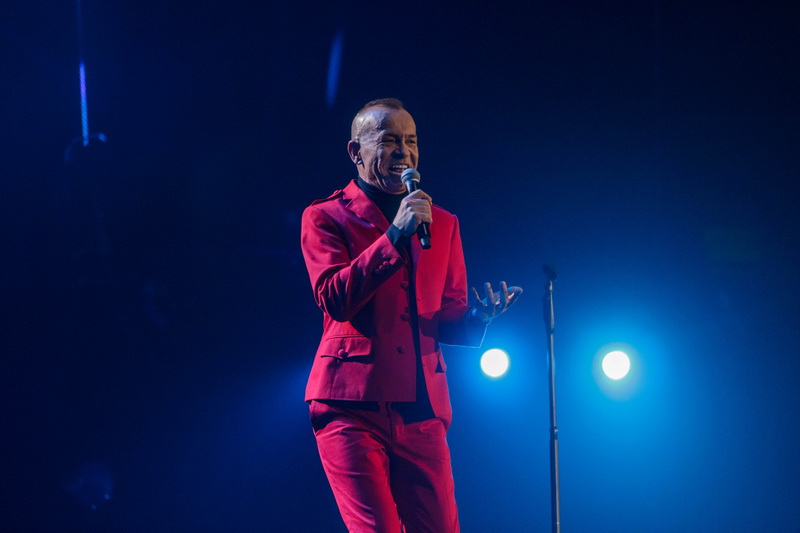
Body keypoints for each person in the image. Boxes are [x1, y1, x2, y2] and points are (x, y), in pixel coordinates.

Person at [300, 98, 522, 532]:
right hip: (352, 406)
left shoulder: (443, 222)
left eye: (412, 141)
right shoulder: (325, 216)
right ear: (356, 151)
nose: (404, 151)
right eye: (389, 141)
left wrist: (478, 317)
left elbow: (445, 314)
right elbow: (334, 298)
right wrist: (394, 235)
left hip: (422, 410)